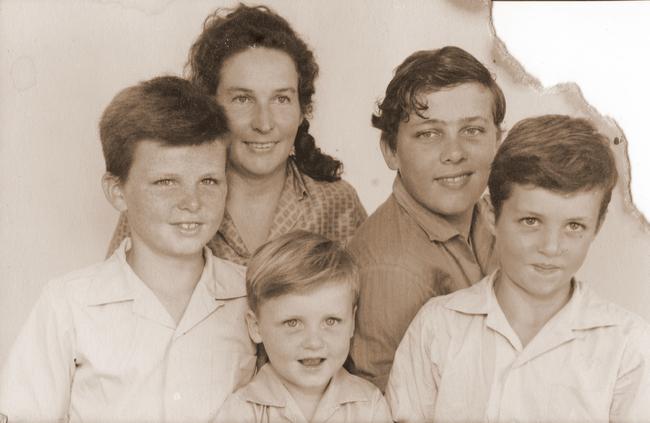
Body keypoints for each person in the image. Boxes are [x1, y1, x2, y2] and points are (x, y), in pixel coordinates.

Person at [0, 77, 256, 422]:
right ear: (117, 191)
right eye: (166, 182)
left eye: (209, 181)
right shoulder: (69, 304)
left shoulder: (252, 295)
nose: (192, 202)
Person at [386, 115, 650, 422]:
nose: (551, 247)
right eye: (530, 221)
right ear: (489, 215)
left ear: (597, 226)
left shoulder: (628, 344)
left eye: (574, 226)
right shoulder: (438, 327)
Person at [108, 5, 367, 265]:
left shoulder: (337, 203)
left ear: (302, 112)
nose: (264, 123)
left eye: (281, 99)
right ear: (209, 108)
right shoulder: (163, 201)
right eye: (242, 98)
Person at [349, 46, 504, 390]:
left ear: (499, 141)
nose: (454, 153)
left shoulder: (493, 220)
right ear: (391, 150)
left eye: (473, 130)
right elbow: (388, 407)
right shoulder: (392, 270)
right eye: (428, 133)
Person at [214, 230, 392, 423]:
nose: (314, 342)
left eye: (331, 321)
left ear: (352, 322)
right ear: (256, 327)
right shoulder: (241, 412)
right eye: (293, 323)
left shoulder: (370, 405)